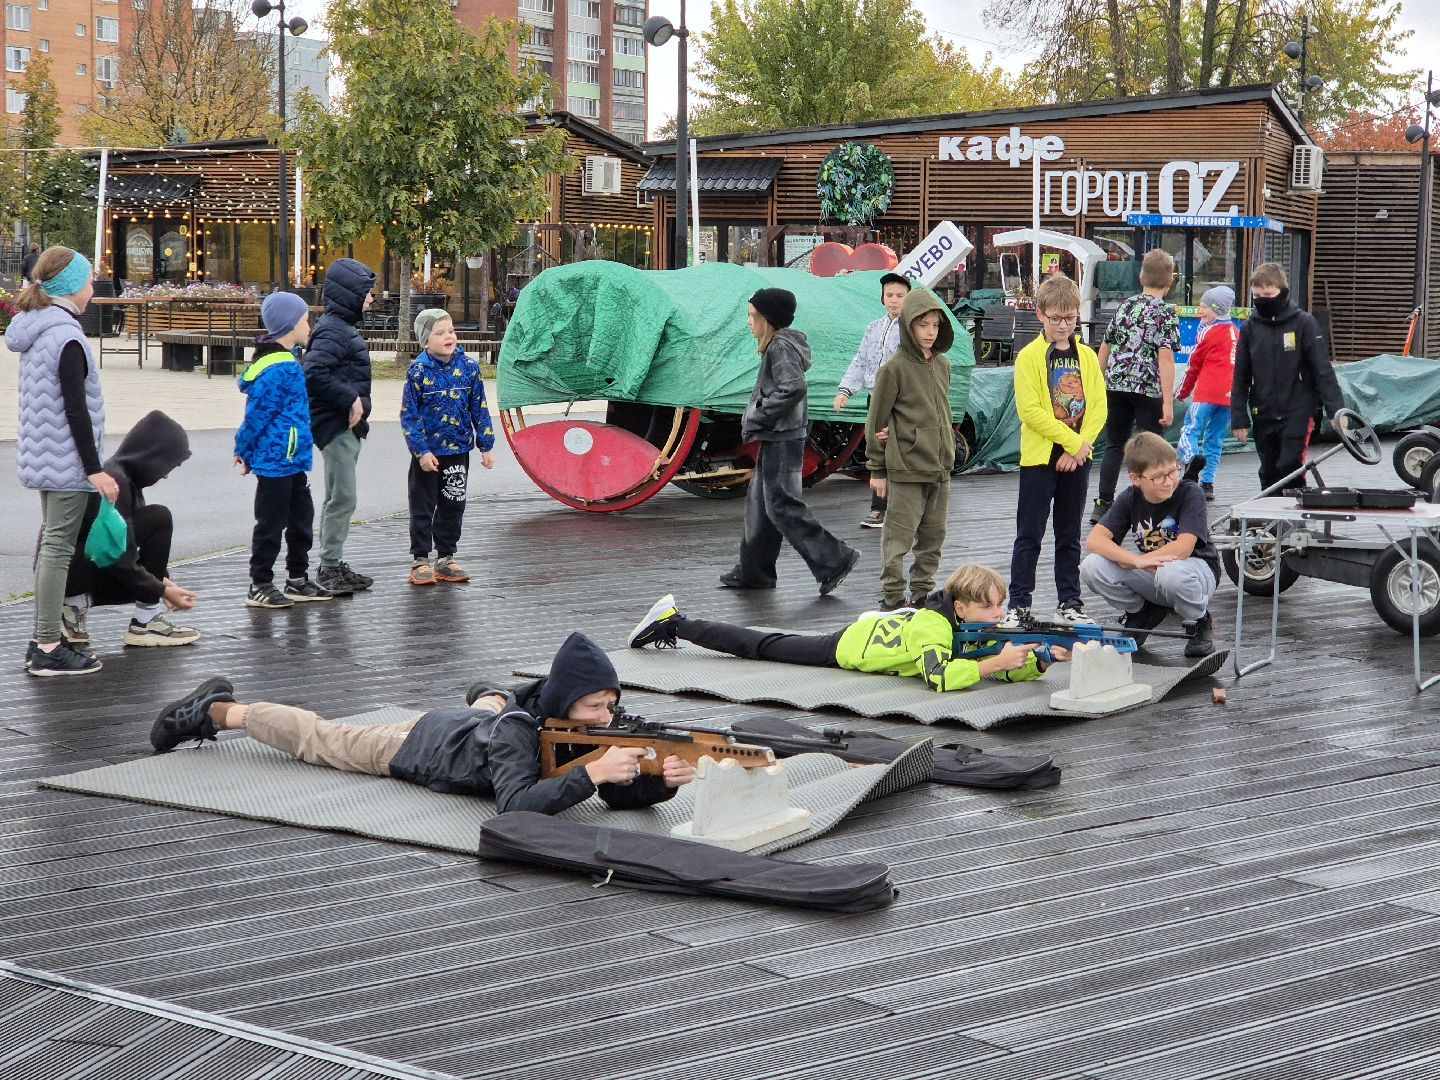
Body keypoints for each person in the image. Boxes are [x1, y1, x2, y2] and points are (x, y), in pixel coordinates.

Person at [148, 632, 696, 814]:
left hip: (478, 725)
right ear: (564, 703)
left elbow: (612, 796)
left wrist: (654, 782)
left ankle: (493, 696)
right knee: (323, 738)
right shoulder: (521, 733)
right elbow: (515, 804)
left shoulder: (578, 727)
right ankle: (217, 710)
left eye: (610, 706)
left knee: (490, 712)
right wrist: (595, 775)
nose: (607, 718)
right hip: (424, 744)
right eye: (595, 707)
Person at [629, 564, 1067, 693]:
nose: (998, 616)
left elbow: (983, 660)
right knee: (762, 645)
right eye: (990, 609)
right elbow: (939, 677)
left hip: (877, 629)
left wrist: (1039, 660)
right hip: (849, 646)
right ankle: (676, 622)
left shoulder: (963, 624)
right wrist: (998, 662)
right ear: (961, 608)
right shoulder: (934, 628)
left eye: (1001, 608)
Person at [8, 247, 113, 676]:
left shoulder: (37, 328)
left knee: (53, 543)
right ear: (72, 287)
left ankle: (44, 639)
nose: (93, 288)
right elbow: (76, 410)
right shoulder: (66, 336)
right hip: (68, 461)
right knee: (57, 549)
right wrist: (94, 468)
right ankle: (48, 645)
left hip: (45, 454)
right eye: (89, 281)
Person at [722, 287, 860, 595]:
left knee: (782, 505)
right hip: (780, 435)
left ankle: (835, 559)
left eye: (752, 316)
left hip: (782, 436)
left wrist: (759, 414)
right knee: (760, 504)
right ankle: (754, 571)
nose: (748, 322)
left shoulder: (779, 347)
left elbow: (793, 387)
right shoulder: (779, 344)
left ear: (768, 319)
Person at [1004, 272, 1107, 628]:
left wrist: (1080, 448)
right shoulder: (1030, 356)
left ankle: (1069, 601)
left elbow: (1098, 407)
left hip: (1078, 457)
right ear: (1041, 315)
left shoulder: (1088, 357)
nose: (1064, 324)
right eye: (1056, 317)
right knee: (1029, 534)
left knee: (1069, 534)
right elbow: (1030, 411)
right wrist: (1072, 442)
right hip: (1040, 458)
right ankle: (1018, 604)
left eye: (1070, 317)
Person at [60, 410, 201, 649]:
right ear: (153, 456)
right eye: (168, 465)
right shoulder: (117, 483)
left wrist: (165, 586)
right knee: (159, 518)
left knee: (146, 570)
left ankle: (74, 605)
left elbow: (127, 550)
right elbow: (119, 557)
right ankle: (146, 622)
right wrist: (160, 591)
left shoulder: (118, 473)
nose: (165, 475)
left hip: (69, 574)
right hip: (70, 571)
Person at [1081, 431, 1218, 657]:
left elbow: (1183, 547)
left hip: (1195, 573)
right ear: (1136, 479)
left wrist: (1139, 562)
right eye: (1158, 477)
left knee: (1170, 572)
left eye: (1173, 471)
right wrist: (1135, 560)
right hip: (1154, 571)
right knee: (1091, 566)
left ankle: (1199, 619)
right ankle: (1142, 612)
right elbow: (1095, 540)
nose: (1169, 481)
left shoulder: (1189, 492)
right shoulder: (1129, 497)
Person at [235, 291, 332, 610]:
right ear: (289, 325)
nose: (310, 325)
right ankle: (259, 583)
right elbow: (257, 415)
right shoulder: (280, 368)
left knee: (301, 518)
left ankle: (297, 578)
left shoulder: (288, 361)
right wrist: (244, 450)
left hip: (291, 460)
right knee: (271, 524)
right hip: (276, 461)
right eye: (305, 320)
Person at [865, 285, 954, 610]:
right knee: (897, 539)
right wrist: (877, 468)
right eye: (922, 324)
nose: (930, 332)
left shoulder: (944, 365)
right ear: (908, 325)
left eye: (935, 325)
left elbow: (941, 409)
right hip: (906, 470)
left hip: (941, 469)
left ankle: (920, 597)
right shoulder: (893, 369)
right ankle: (892, 599)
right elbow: (877, 420)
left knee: (932, 540)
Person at [1230, 262, 1346, 493]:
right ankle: (1272, 521)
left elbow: (1322, 370)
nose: (1263, 299)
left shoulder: (1304, 323)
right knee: (1269, 469)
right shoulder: (1250, 328)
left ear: (1281, 292)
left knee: (1289, 465)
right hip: (1263, 409)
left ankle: (1295, 515)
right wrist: (1239, 417)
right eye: (1257, 295)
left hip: (1298, 409)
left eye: (1268, 294)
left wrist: (1336, 410)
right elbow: (1241, 375)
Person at [400, 308, 495, 586]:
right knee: (423, 505)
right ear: (425, 341)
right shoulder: (418, 372)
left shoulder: (469, 368)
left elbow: (480, 408)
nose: (448, 337)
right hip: (428, 454)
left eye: (451, 331)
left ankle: (446, 557)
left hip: (458, 451)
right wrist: (421, 451)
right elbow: (409, 415)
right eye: (439, 333)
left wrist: (486, 445)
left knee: (453, 503)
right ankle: (420, 559)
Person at [303, 258, 377, 598]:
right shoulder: (334, 328)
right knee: (342, 497)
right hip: (335, 426)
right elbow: (314, 372)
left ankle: (334, 562)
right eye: (367, 293)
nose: (372, 299)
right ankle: (329, 566)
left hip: (346, 426)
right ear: (350, 294)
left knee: (341, 497)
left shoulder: (340, 326)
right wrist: (351, 398)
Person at [1092, 248, 1181, 523]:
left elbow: (1104, 348)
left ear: (1141, 277)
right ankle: (1155, 501)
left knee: (1115, 444)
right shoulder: (1166, 313)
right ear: (1170, 283)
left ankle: (1103, 503)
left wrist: (1098, 385)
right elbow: (1165, 359)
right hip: (1147, 389)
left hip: (1115, 386)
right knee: (1154, 447)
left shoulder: (1125, 305)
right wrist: (1168, 401)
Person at [833, 272, 911, 529]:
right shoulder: (873, 328)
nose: (894, 300)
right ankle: (878, 508)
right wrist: (845, 390)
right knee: (877, 449)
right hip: (874, 397)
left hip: (901, 401)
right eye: (889, 295)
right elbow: (860, 361)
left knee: (899, 450)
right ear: (882, 297)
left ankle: (903, 508)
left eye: (900, 295)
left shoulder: (912, 329)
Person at [1175, 285, 1239, 501]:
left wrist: (1182, 392)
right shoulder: (1236, 333)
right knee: (1215, 438)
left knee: (1190, 430)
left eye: (1204, 307)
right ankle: (1208, 482)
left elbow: (1193, 364)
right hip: (1230, 396)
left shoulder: (1207, 332)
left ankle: (1192, 459)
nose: (1199, 311)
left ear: (1217, 310)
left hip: (1207, 392)